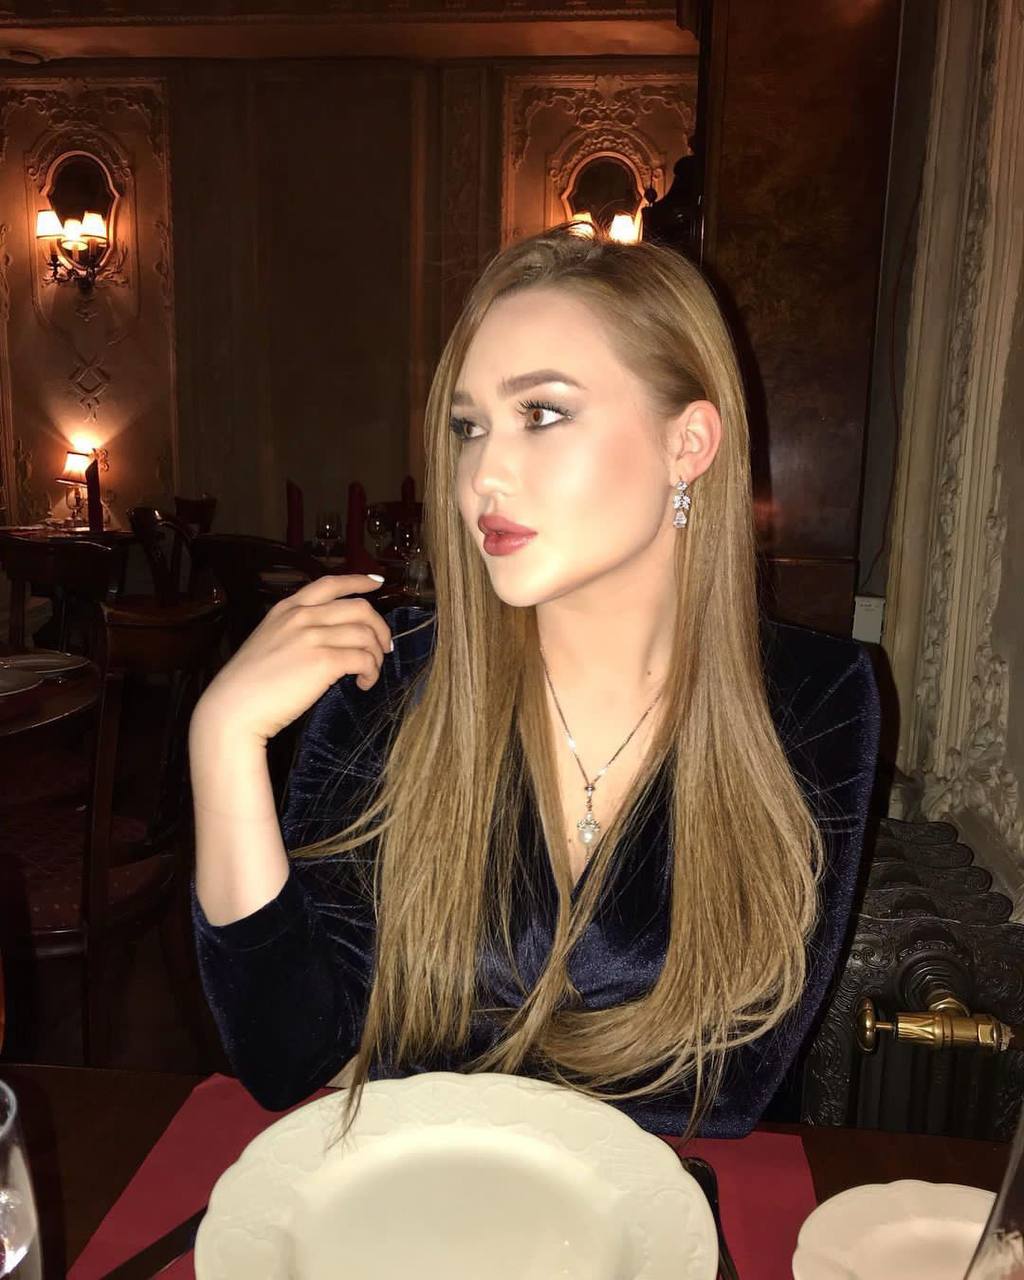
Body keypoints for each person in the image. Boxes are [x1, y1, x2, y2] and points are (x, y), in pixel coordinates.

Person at [190, 226, 881, 1141]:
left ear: (688, 443)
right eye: (468, 427)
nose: (484, 474)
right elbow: (287, 1055)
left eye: (542, 414)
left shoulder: (816, 696)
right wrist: (222, 739)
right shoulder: (391, 680)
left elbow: (727, 1086)